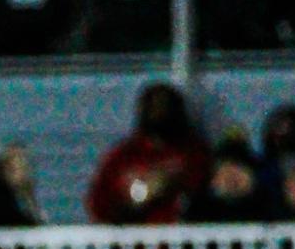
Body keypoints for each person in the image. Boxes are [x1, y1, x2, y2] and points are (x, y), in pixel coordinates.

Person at [85, 83, 209, 226]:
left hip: (181, 243)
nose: (159, 112)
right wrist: (137, 200)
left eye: (165, 106)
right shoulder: (123, 156)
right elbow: (99, 206)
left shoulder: (194, 153)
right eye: (154, 107)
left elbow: (207, 196)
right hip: (133, 244)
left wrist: (170, 183)